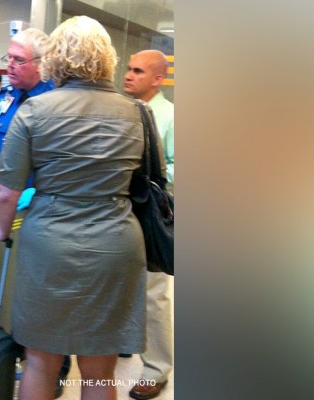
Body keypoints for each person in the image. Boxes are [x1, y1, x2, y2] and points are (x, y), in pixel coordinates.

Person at [0, 16, 147, 400]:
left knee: (40, 360)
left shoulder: (35, 112)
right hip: (115, 245)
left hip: (50, 246)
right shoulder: (136, 113)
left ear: (55, 57)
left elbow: (6, 191)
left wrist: (2, 230)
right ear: (107, 58)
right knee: (100, 368)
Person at [122, 49, 175, 400]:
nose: (128, 75)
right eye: (127, 68)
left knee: (154, 293)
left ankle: (156, 369)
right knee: (122, 286)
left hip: (152, 214)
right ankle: (124, 340)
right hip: (121, 211)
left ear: (158, 78)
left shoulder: (171, 117)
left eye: (138, 71)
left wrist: (154, 178)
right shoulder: (121, 110)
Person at [0, 28, 54, 201]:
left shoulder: (57, 103)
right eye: (9, 57)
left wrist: (39, 190)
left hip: (39, 206)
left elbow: (64, 162)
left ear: (40, 64)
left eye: (19, 59)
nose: (10, 64)